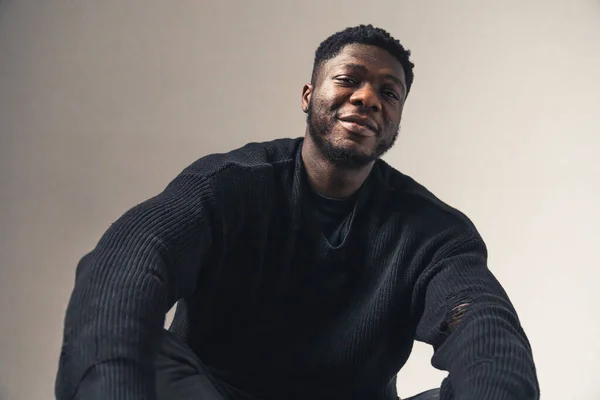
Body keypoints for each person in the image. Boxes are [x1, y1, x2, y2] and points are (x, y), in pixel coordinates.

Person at [55, 24, 540, 400]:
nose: (368, 97)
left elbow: (485, 330)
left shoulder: (434, 232)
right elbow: (126, 266)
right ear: (309, 96)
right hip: (210, 394)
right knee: (130, 331)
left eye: (388, 93)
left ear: (397, 119)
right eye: (349, 79)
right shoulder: (228, 186)